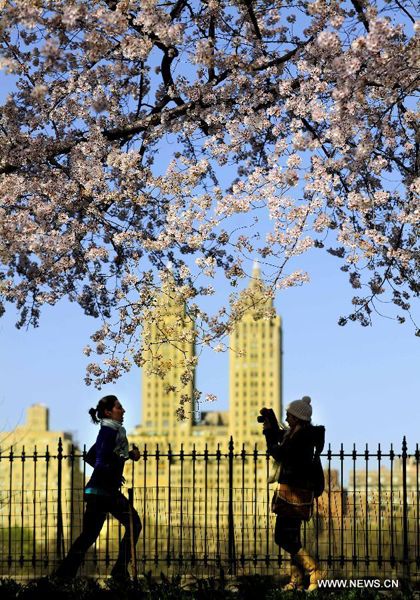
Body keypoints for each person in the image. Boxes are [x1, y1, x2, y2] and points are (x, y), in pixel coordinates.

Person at [54, 395, 141, 580]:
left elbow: (91, 456)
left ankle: (62, 577)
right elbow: (100, 460)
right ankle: (118, 571)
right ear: (108, 412)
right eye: (119, 408)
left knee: (87, 537)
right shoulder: (109, 433)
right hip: (105, 492)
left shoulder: (110, 431)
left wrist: (128, 457)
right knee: (134, 523)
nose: (123, 411)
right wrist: (112, 475)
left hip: (98, 492)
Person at [262, 396, 325, 592]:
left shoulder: (301, 438)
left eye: (289, 415)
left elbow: (281, 454)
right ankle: (296, 580)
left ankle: (314, 570)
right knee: (292, 537)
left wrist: (271, 445)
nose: (287, 418)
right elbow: (281, 439)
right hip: (295, 491)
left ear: (297, 418)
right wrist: (270, 428)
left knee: (282, 537)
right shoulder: (298, 434)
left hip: (295, 493)